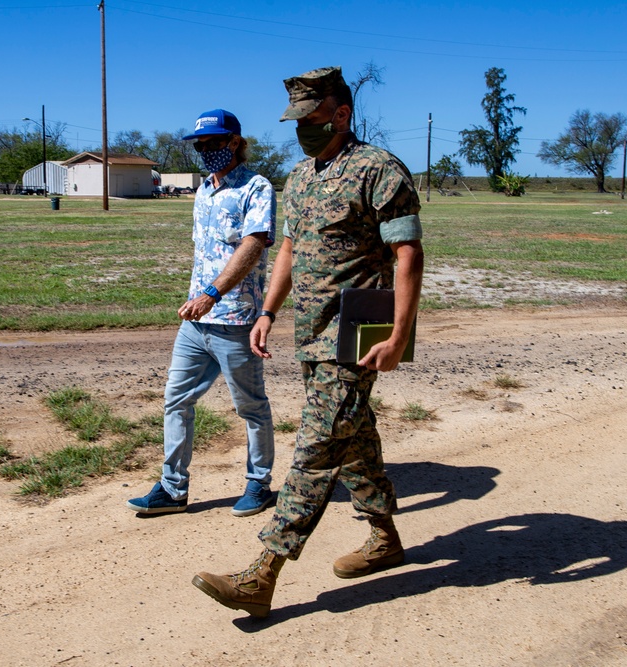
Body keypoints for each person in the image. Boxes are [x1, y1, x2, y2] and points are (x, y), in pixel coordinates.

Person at [192, 67, 425, 617]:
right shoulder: (299, 178)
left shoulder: (379, 171)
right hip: (313, 328)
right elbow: (289, 253)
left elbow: (408, 256)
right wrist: (267, 312)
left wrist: (398, 335)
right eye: (296, 122)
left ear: (342, 114)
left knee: (318, 447)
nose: (303, 131)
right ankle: (384, 537)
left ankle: (262, 573)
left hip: (361, 326)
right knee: (353, 435)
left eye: (312, 119)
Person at [127, 108, 278, 518]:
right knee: (176, 400)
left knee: (250, 405)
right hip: (196, 321)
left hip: (235, 319)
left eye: (213, 143)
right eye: (200, 145)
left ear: (233, 141)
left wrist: (213, 293)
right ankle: (173, 490)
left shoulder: (256, 187)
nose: (205, 151)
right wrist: (200, 298)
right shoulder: (203, 191)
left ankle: (258, 485)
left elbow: (253, 246)